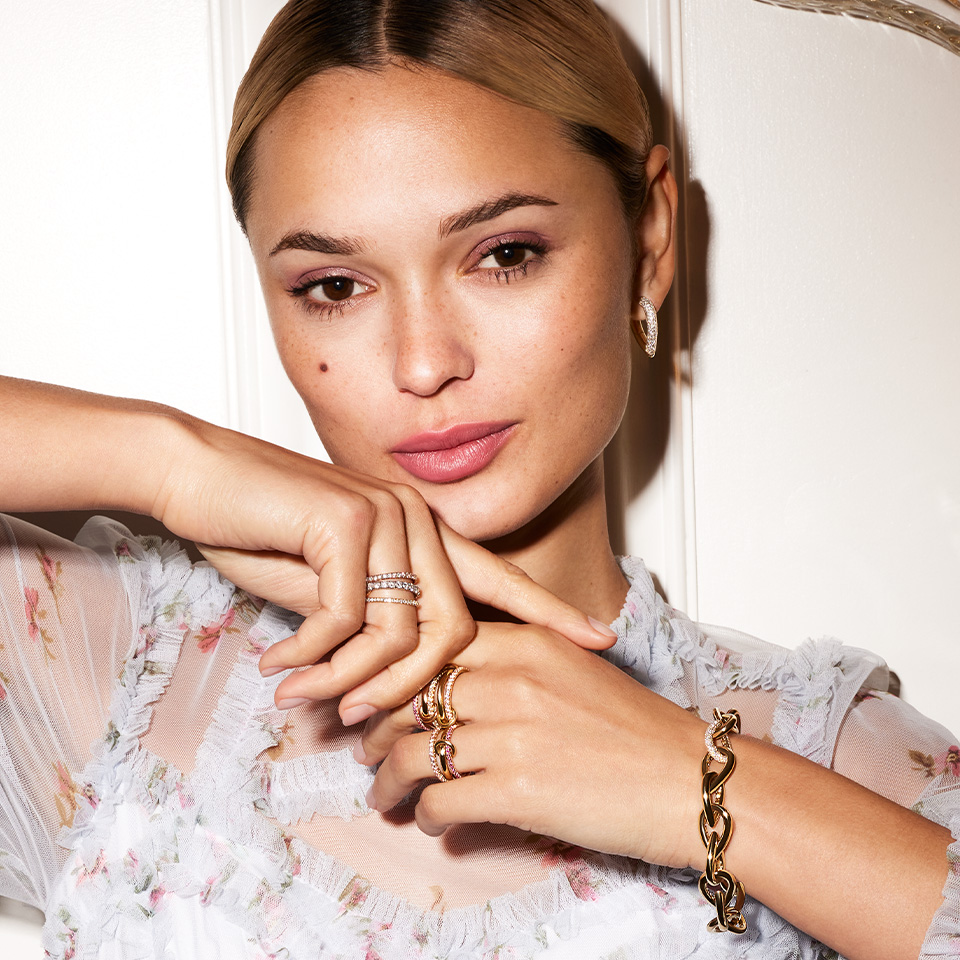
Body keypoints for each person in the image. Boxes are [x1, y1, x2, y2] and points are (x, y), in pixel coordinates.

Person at [0, 1, 957, 957]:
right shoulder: (127, 666)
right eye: (333, 286)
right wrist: (165, 459)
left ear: (652, 239)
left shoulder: (829, 753)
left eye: (505, 255)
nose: (423, 363)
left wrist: (701, 784)